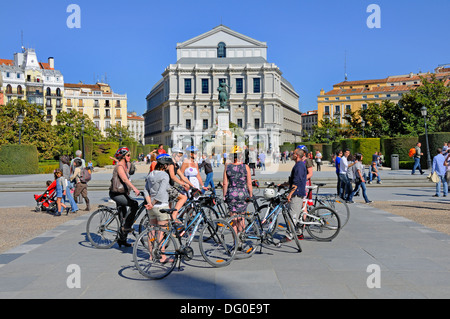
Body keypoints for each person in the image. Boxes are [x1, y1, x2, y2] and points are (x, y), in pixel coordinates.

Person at [109, 147, 140, 247]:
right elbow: (124, 179)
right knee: (134, 204)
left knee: (124, 216)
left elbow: (131, 172)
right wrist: (135, 189)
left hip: (123, 193)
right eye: (128, 155)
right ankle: (126, 228)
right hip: (116, 194)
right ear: (123, 156)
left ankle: (122, 239)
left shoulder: (126, 165)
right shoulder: (119, 167)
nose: (130, 157)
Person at [223, 146, 253, 239]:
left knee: (233, 220)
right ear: (241, 155)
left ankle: (235, 242)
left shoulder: (227, 166)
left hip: (232, 194)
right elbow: (249, 183)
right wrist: (250, 195)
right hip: (242, 194)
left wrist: (224, 196)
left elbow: (225, 183)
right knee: (241, 218)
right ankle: (241, 239)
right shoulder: (245, 167)